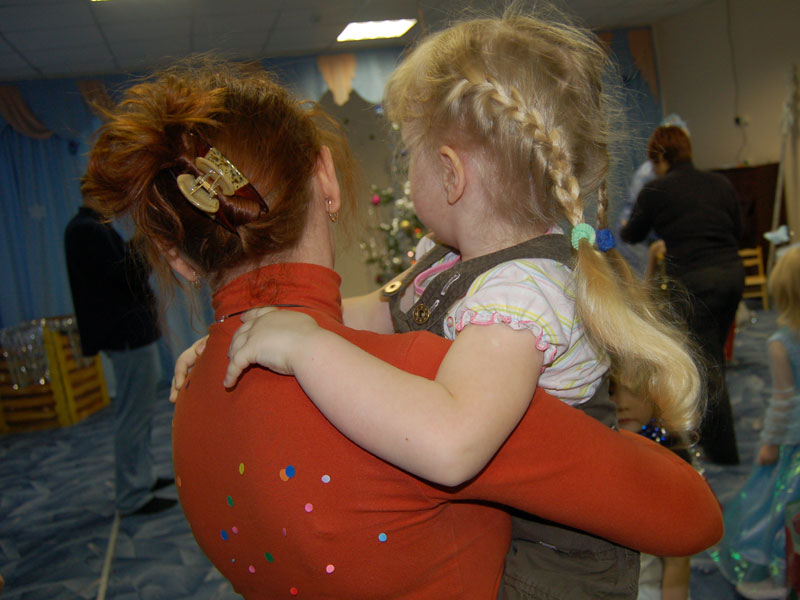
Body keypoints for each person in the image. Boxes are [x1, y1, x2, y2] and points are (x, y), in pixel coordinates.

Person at [84, 57, 723, 599]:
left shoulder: (193, 396)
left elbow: (368, 310)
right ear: (326, 178)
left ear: (176, 255)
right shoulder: (419, 386)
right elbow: (690, 514)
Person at [620, 125, 745, 465]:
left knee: (705, 364)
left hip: (694, 284)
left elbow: (632, 234)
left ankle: (721, 452)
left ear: (660, 158)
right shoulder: (720, 183)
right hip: (731, 277)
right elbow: (738, 230)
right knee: (713, 356)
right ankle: (718, 443)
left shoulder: (656, 190)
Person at [64, 203, 175, 516]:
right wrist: (143, 241)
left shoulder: (92, 227)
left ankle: (143, 477)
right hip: (125, 335)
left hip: (128, 334)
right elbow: (126, 277)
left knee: (139, 413)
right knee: (133, 416)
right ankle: (132, 494)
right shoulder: (87, 230)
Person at [711, 246, 800, 600]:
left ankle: (780, 568)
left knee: (777, 504)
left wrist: (770, 443)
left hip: (793, 441)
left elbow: (783, 400)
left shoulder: (782, 343)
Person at [610, 377, 694, 600]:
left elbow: (677, 562)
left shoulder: (669, 465)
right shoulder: (590, 455)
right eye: (610, 391)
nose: (622, 404)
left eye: (636, 391)